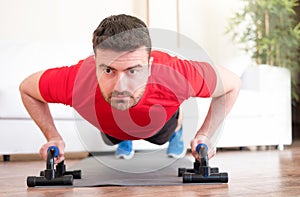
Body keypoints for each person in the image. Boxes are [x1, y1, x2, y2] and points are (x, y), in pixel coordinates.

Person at [19, 14, 241, 163]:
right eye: (108, 71)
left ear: (150, 66)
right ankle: (125, 137)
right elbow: (27, 88)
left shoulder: (173, 73)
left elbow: (231, 85)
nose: (120, 86)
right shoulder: (77, 78)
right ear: (94, 64)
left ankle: (177, 130)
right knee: (113, 133)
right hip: (110, 126)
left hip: (159, 125)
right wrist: (53, 136)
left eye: (133, 71)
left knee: (163, 134)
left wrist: (204, 134)